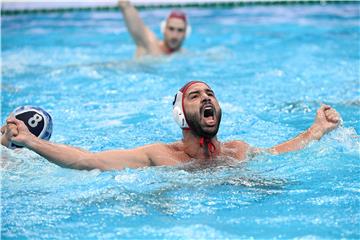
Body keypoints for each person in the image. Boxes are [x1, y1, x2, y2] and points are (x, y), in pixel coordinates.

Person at [1, 81, 341, 171]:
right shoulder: (159, 156)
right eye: (196, 95)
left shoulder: (236, 151)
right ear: (181, 115)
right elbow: (89, 161)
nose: (207, 98)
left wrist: (316, 131)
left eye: (211, 93)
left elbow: (278, 152)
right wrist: (32, 142)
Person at [118, 0, 189, 57]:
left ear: (186, 33)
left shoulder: (185, 56)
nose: (174, 35)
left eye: (180, 30)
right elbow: (125, 5)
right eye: (171, 29)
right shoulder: (149, 44)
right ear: (164, 29)